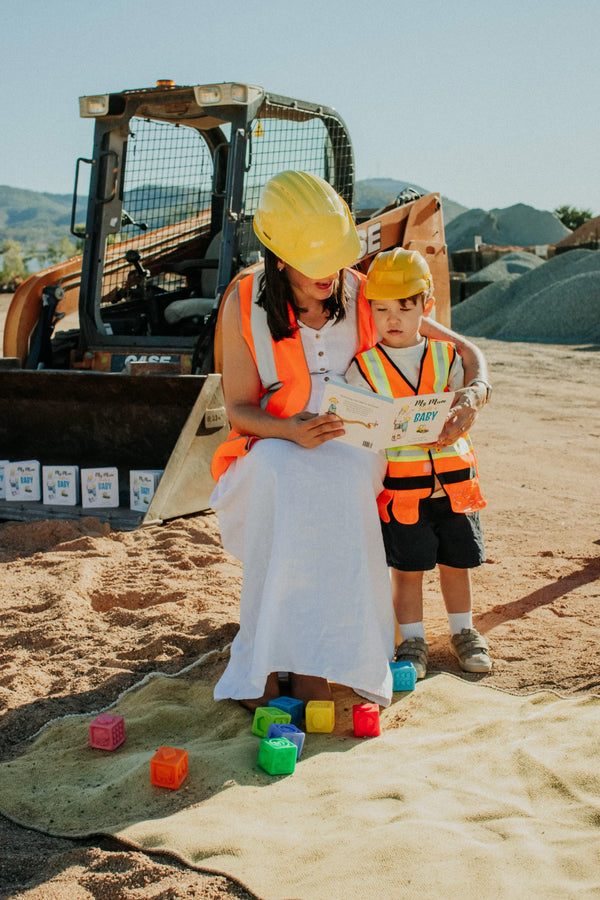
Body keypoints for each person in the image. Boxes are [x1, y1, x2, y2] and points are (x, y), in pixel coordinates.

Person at [210, 171, 489, 711]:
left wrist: (477, 391)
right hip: (273, 441)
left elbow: (464, 352)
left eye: (335, 257)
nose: (328, 273)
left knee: (340, 483)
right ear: (279, 256)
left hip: (356, 447)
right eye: (311, 261)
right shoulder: (243, 299)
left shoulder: (366, 292)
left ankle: (323, 657)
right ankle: (271, 654)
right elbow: (240, 410)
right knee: (281, 477)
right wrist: (289, 429)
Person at [345, 248, 492, 679]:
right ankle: (411, 639)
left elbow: (462, 411)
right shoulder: (363, 367)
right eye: (382, 308)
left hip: (454, 487)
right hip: (404, 492)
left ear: (426, 307)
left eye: (405, 308)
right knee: (407, 571)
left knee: (456, 563)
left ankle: (463, 631)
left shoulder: (448, 358)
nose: (393, 318)